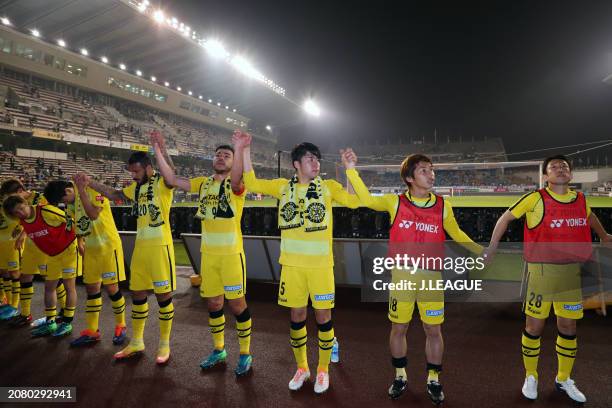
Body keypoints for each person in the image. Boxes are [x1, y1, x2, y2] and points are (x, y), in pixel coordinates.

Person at [343, 150, 482, 404]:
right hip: (402, 278)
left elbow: (458, 234)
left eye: (432, 170)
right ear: (409, 177)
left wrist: (482, 251)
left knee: (433, 329)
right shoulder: (394, 202)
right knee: (399, 328)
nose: (431, 175)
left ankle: (433, 379)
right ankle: (400, 375)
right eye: (424, 170)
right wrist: (351, 168)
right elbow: (364, 198)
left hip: (431, 279)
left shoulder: (442, 205)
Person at [234, 132, 361, 394]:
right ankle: (303, 367)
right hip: (291, 267)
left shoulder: (328, 188)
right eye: (310, 159)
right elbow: (252, 183)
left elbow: (353, 201)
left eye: (317, 159)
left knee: (324, 317)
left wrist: (350, 171)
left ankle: (323, 369)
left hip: (321, 267)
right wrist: (244, 150)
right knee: (297, 317)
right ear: (296, 164)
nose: (316, 164)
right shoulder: (283, 186)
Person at [485, 155, 612, 403]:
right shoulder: (536, 198)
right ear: (545, 176)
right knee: (534, 327)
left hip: (570, 275)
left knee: (568, 327)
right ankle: (530, 376)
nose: (560, 169)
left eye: (564, 166)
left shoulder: (580, 199)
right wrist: (492, 246)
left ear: (570, 174)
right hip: (542, 274)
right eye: (554, 167)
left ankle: (563, 378)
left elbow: (589, 217)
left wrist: (603, 235)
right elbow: (505, 218)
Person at [150, 131, 253, 376]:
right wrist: (158, 150)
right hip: (209, 256)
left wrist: (239, 149)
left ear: (232, 161)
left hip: (231, 256)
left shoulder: (236, 184)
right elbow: (171, 179)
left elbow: (238, 175)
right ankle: (219, 350)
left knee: (237, 305)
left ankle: (246, 353)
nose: (220, 158)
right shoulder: (203, 183)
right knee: (214, 303)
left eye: (226, 155)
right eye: (218, 155)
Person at [88, 150, 175, 365]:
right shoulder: (136, 188)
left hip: (160, 247)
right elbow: (115, 195)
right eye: (131, 172)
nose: (133, 175)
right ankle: (137, 341)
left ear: (148, 167)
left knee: (164, 296)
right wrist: (90, 182)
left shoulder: (161, 182)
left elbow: (172, 174)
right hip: (141, 248)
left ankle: (164, 344)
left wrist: (161, 147)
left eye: (136, 171)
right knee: (138, 294)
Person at [57, 175, 128, 347]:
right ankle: (92, 330)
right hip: (91, 250)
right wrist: (80, 240)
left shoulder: (95, 191)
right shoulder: (71, 205)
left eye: (64, 198)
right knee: (92, 288)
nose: (65, 203)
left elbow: (93, 214)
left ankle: (121, 326)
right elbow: (79, 224)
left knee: (112, 288)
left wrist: (81, 191)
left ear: (69, 190)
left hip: (108, 247)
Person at [2, 181, 79, 338]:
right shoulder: (22, 221)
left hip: (68, 251)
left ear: (25, 202)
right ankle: (50, 322)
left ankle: (66, 322)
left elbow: (71, 221)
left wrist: (78, 241)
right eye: (17, 213)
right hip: (52, 255)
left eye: (21, 208)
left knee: (68, 286)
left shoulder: (45, 210)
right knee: (49, 287)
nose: (21, 213)